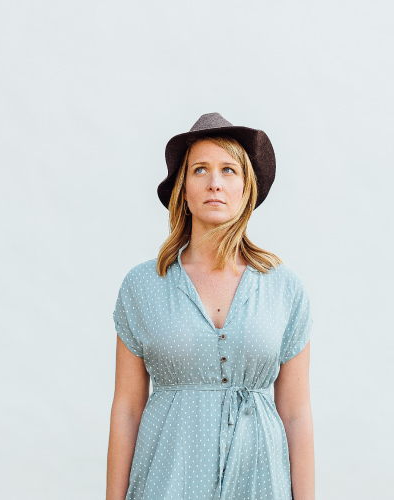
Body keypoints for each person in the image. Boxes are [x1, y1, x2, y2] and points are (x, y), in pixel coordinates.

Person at [106, 112, 315, 500]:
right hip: (168, 479)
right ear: (182, 189)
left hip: (260, 481)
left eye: (228, 170)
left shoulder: (284, 289)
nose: (215, 183)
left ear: (246, 189)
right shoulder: (143, 286)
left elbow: (297, 414)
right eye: (200, 170)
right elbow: (128, 409)